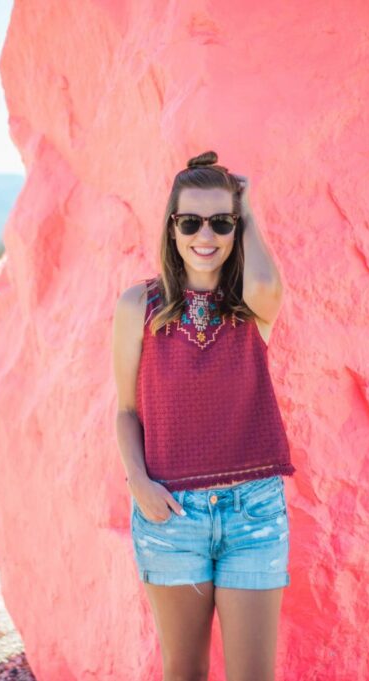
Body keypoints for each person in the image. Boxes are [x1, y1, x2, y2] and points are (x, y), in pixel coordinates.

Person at [111, 150, 296, 681]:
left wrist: (249, 207)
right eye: (190, 222)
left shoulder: (249, 307)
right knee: (185, 671)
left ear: (236, 228)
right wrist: (139, 484)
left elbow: (268, 286)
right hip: (171, 513)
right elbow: (126, 410)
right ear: (172, 229)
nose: (205, 235)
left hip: (253, 513)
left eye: (221, 222)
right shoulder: (138, 306)